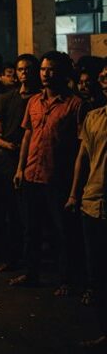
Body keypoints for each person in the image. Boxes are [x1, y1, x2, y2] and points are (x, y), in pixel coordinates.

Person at [11, 51, 84, 294]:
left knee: (63, 232)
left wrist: (74, 187)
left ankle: (66, 280)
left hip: (57, 177)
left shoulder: (75, 104)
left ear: (63, 73)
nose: (45, 74)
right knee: (30, 229)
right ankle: (31, 273)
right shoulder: (33, 101)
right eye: (43, 69)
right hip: (32, 173)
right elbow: (27, 135)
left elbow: (81, 146)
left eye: (51, 69)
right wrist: (21, 168)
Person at [0, 54, 39, 272]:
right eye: (20, 69)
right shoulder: (6, 98)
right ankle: (11, 257)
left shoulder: (38, 99)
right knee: (9, 213)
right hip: (7, 162)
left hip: (32, 161)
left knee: (30, 215)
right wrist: (7, 146)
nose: (24, 73)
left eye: (28, 69)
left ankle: (31, 261)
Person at [66, 100, 106, 349]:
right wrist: (74, 193)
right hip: (94, 200)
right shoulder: (94, 117)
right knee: (99, 273)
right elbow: (82, 157)